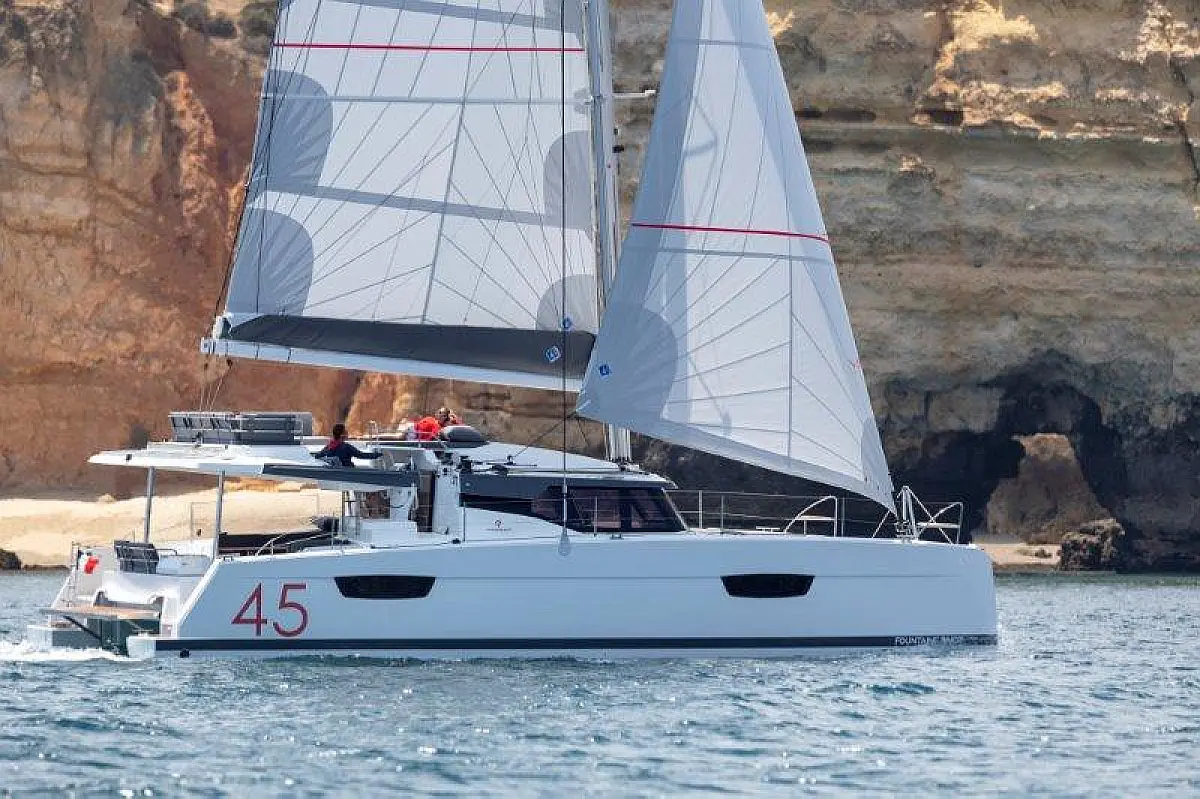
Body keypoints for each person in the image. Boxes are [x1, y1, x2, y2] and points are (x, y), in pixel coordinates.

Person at [315, 423, 384, 467]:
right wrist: (378, 455)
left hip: (336, 475)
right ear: (342, 434)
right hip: (348, 473)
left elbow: (317, 456)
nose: (347, 432)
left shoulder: (328, 447)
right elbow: (361, 455)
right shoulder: (346, 447)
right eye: (345, 431)